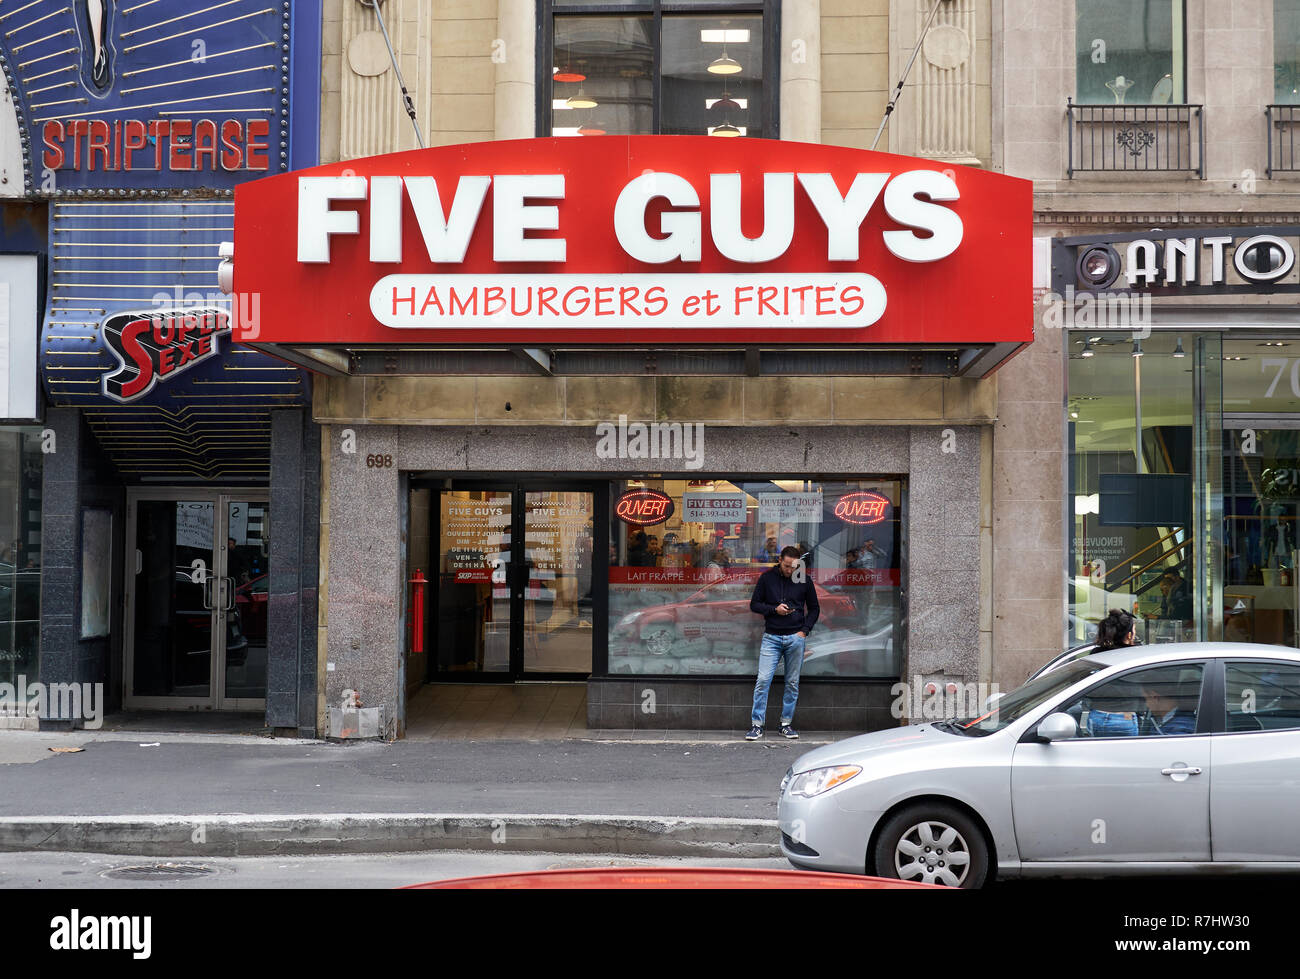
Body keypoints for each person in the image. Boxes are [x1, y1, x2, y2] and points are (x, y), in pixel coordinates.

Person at [746, 545, 820, 741]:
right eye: (787, 566)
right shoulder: (767, 578)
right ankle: (757, 725)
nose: (790, 570)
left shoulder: (804, 579)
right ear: (780, 560)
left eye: (794, 567)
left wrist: (804, 632)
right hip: (771, 637)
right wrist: (774, 609)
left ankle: (785, 724)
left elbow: (814, 608)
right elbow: (755, 604)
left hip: (795, 637)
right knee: (763, 680)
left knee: (792, 682)